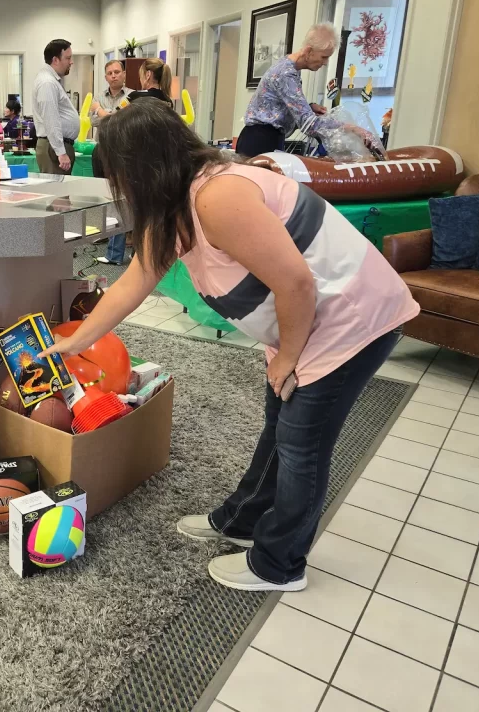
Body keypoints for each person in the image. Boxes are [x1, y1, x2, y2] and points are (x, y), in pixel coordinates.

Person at [51, 99, 418, 592]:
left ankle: (280, 564)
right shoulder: (174, 205)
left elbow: (296, 283)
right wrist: (75, 340)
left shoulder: (217, 196)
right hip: (305, 323)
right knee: (279, 425)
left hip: (349, 321)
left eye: (119, 176)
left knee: (302, 443)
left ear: (143, 167)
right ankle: (242, 520)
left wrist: (289, 356)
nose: (121, 190)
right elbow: (129, 286)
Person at [236, 23, 375, 158]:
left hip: (265, 139)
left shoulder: (290, 66)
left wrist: (309, 107)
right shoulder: (286, 73)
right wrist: (351, 128)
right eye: (324, 57)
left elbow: (279, 109)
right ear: (309, 51)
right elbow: (309, 124)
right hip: (259, 143)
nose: (325, 63)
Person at [95, 57, 174, 265]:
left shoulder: (135, 97)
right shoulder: (167, 100)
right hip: (159, 163)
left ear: (148, 75)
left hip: (135, 159)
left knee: (123, 204)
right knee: (150, 211)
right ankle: (142, 254)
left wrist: (97, 109)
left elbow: (113, 118)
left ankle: (114, 254)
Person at [33, 39, 80, 175]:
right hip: (54, 148)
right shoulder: (47, 83)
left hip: (54, 146)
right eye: (68, 58)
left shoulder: (51, 80)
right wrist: (61, 152)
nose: (71, 62)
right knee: (57, 194)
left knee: (60, 194)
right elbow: (50, 118)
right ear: (55, 60)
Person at [89, 59, 131, 129]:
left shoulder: (132, 96)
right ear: (106, 78)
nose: (113, 76)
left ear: (124, 74)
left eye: (117, 72)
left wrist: (99, 110)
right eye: (109, 73)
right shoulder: (98, 97)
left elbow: (128, 122)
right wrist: (115, 116)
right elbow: (93, 121)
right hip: (102, 140)